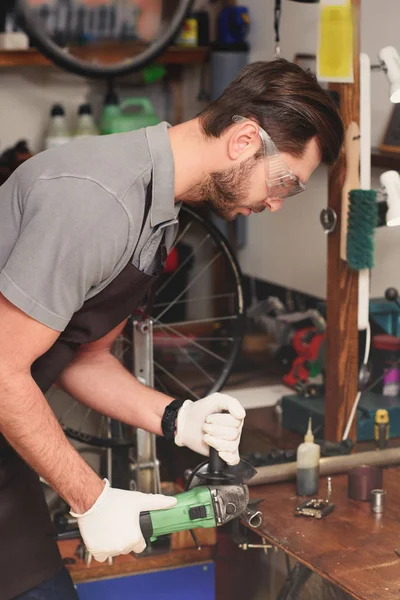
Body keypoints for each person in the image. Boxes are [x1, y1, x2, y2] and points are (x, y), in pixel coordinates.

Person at [0, 58, 344, 599]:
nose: (276, 203)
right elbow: (2, 370)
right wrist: (93, 499)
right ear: (244, 140)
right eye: (285, 183)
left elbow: (83, 356)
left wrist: (176, 417)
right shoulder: (100, 200)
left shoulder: (160, 212)